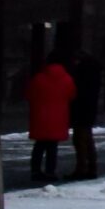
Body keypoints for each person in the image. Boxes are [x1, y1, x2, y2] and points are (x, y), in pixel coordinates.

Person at [26, 54, 76, 186]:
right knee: (52, 147)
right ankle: (50, 171)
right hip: (58, 117)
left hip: (40, 116)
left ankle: (35, 171)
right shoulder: (67, 79)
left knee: (39, 146)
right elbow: (71, 95)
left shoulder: (39, 78)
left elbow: (30, 94)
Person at [66, 47, 104, 180]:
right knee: (87, 139)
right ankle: (90, 167)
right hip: (88, 109)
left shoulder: (83, 74)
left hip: (81, 109)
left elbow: (77, 92)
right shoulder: (94, 73)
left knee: (81, 140)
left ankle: (82, 168)